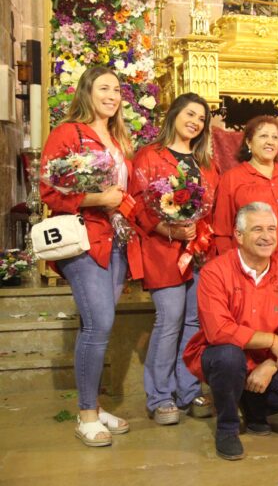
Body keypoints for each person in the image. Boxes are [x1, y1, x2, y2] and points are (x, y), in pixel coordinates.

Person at [40, 66, 142, 447]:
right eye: (104, 88)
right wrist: (99, 198)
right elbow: (49, 191)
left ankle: (94, 407)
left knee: (98, 326)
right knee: (99, 323)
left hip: (115, 241)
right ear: (86, 91)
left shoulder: (118, 138)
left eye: (117, 89)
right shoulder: (68, 133)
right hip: (84, 239)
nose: (112, 95)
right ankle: (85, 416)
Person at [183, 202, 278, 460]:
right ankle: (227, 428)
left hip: (266, 357)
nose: (267, 236)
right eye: (257, 229)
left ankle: (253, 405)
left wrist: (269, 364)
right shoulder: (215, 272)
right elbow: (218, 331)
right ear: (239, 235)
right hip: (225, 355)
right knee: (228, 356)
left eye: (271, 228)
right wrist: (270, 339)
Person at [130, 93, 218, 425]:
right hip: (163, 251)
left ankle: (188, 389)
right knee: (169, 320)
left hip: (200, 253)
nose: (195, 122)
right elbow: (138, 205)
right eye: (190, 114)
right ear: (175, 114)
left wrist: (200, 234)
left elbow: (213, 206)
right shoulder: (150, 156)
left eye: (201, 119)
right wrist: (169, 228)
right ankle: (160, 396)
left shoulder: (206, 163)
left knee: (195, 323)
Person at [212, 116, 278, 263]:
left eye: (274, 137)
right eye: (263, 136)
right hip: (250, 265)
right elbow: (222, 232)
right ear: (249, 142)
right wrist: (231, 266)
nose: (270, 141)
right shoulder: (232, 179)